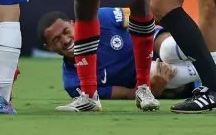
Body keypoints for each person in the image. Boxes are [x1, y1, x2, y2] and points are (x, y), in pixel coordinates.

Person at [38, 8, 202, 101]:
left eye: (66, 31)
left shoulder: (102, 17)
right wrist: (154, 90)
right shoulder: (73, 83)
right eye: (56, 39)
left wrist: (183, 31)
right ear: (49, 48)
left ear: (74, 24)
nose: (66, 40)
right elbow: (128, 94)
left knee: (167, 49)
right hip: (151, 76)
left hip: (155, 44)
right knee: (155, 71)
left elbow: (145, 18)